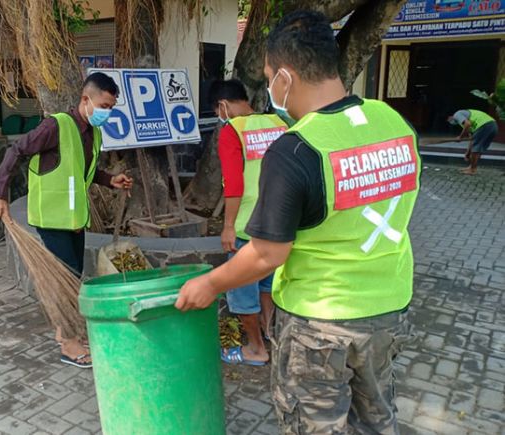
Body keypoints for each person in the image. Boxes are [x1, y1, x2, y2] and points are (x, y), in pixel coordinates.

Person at [176, 10, 419, 434]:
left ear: (284, 78)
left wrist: (210, 284)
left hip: (320, 323)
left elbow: (268, 253)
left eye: (270, 76)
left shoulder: (297, 149)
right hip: (388, 310)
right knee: (376, 419)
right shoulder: (393, 122)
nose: (270, 86)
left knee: (314, 426)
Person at [0, 72, 133, 368]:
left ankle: (63, 332)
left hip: (74, 218)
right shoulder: (56, 125)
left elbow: (83, 172)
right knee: (64, 279)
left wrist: (110, 180)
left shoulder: (93, 133)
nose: (107, 112)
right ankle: (69, 344)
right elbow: (17, 150)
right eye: (104, 105)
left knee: (73, 275)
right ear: (86, 99)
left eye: (111, 107)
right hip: (52, 217)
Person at [209, 79, 287, 366]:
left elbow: (234, 183)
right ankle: (270, 336)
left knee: (242, 293)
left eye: (218, 111)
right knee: (267, 285)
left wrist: (228, 226)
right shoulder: (280, 124)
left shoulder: (232, 130)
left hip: (246, 227)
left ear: (223, 106)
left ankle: (256, 349)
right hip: (278, 223)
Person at [448, 108, 498, 175]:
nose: (449, 121)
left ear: (450, 116)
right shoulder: (466, 121)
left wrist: (460, 137)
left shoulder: (457, 114)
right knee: (478, 148)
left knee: (476, 149)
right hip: (493, 126)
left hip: (484, 125)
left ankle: (472, 170)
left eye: (448, 119)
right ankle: (471, 167)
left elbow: (467, 124)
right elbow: (472, 139)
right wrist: (468, 152)